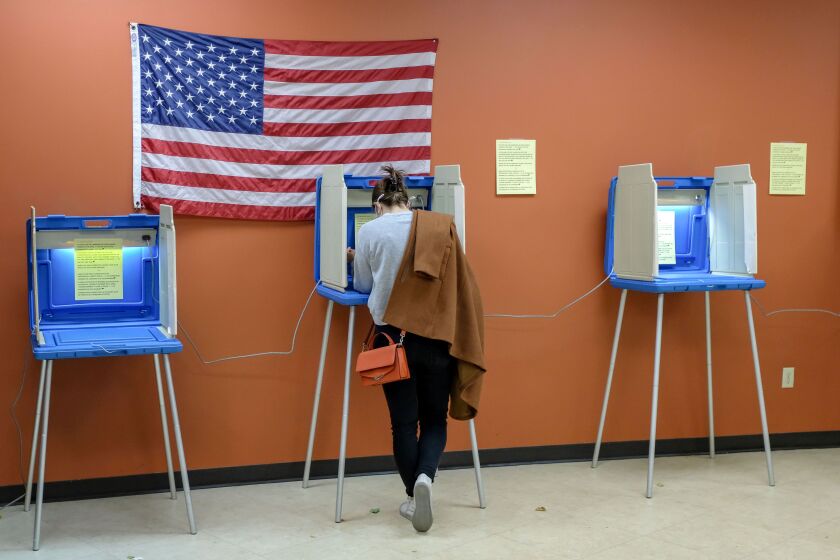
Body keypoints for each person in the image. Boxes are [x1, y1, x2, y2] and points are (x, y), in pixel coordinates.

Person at [347, 165, 456, 533]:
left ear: (377, 205)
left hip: (394, 338)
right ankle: (426, 477)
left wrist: (354, 260)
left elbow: (363, 284)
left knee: (404, 424)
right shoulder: (437, 225)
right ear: (410, 202)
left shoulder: (369, 231)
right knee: (436, 419)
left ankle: (413, 495)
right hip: (436, 334)